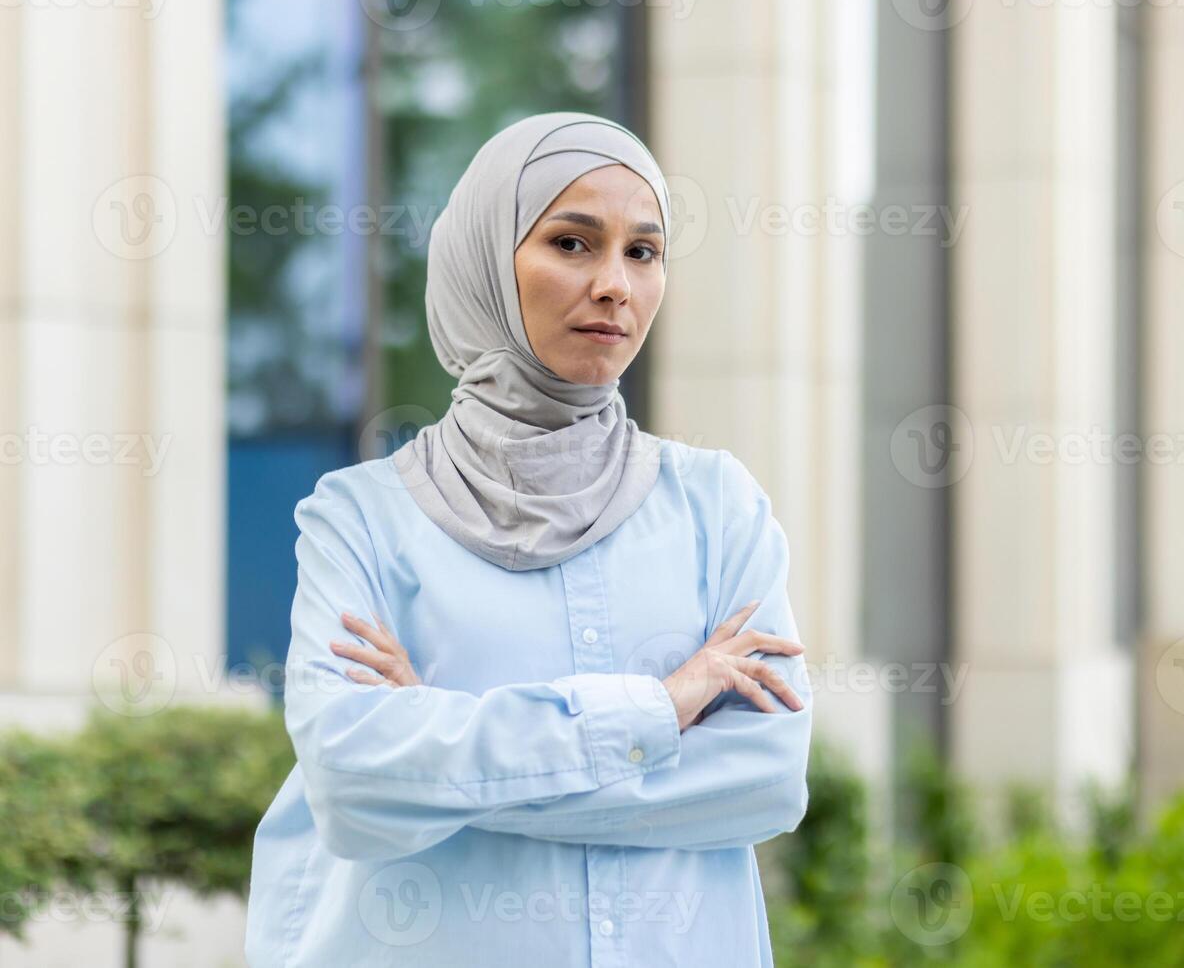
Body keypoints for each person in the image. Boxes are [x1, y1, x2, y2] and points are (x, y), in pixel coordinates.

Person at [243, 111, 814, 967]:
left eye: (643, 251)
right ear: (483, 260)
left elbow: (763, 779)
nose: (616, 283)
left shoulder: (717, 506)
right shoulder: (359, 518)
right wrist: (659, 710)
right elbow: (354, 780)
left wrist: (440, 757)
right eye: (574, 243)